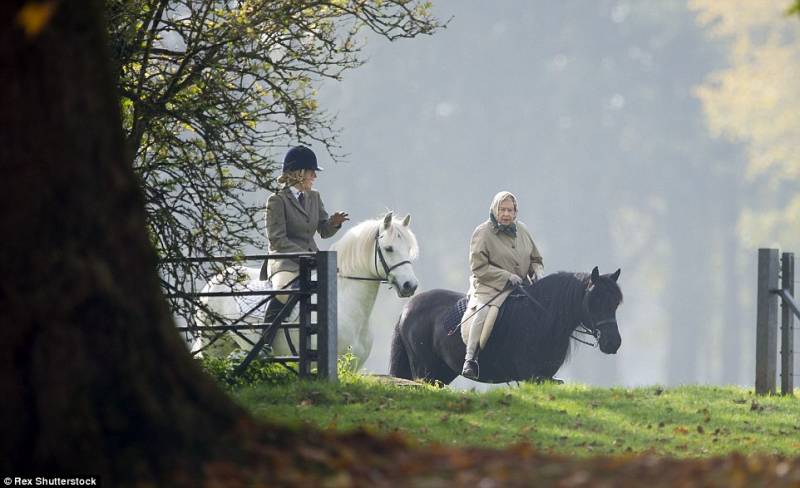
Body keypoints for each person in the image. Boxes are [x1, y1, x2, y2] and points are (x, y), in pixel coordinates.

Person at [260, 145, 349, 324]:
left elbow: (323, 230)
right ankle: (266, 338)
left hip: (311, 260)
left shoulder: (314, 197)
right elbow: (278, 241)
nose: (315, 177)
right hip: (285, 261)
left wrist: (334, 223)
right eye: (311, 173)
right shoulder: (277, 200)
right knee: (284, 292)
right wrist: (307, 256)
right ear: (299, 173)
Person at [461, 190, 544, 380]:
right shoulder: (482, 232)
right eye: (502, 209)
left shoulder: (522, 229)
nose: (506, 214)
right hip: (489, 285)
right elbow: (478, 267)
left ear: (516, 212)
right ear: (495, 210)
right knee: (483, 313)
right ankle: (470, 359)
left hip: (521, 285)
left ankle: (542, 365)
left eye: (510, 210)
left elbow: (535, 259)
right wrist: (506, 275)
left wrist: (537, 272)